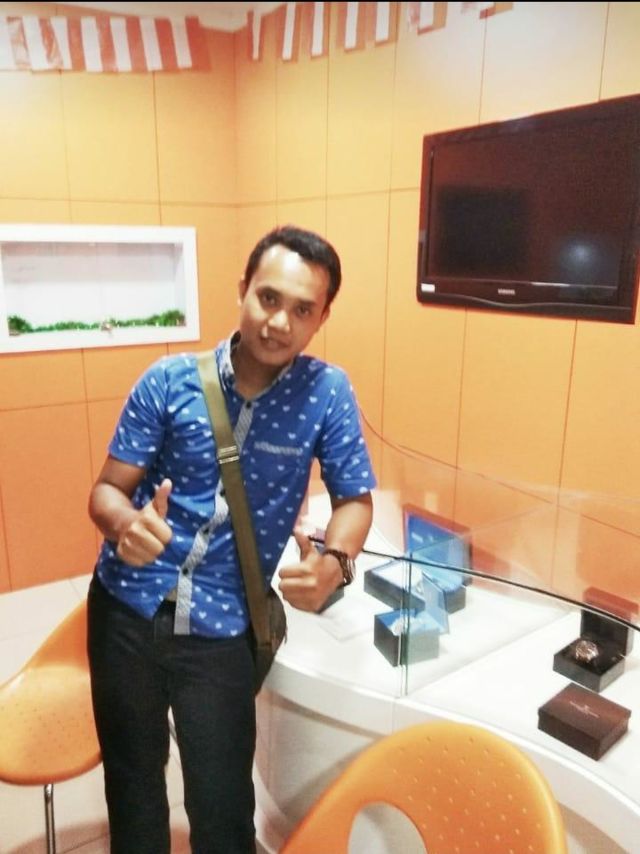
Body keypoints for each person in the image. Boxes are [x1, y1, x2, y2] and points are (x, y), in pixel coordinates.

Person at [87, 224, 376, 854]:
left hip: (222, 627)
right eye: (268, 298)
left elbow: (355, 498)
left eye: (302, 309)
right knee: (132, 791)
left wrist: (336, 560)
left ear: (322, 317)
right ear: (243, 289)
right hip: (126, 611)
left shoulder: (326, 394)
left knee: (222, 813)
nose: (280, 322)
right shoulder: (168, 381)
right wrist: (124, 524)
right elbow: (106, 490)